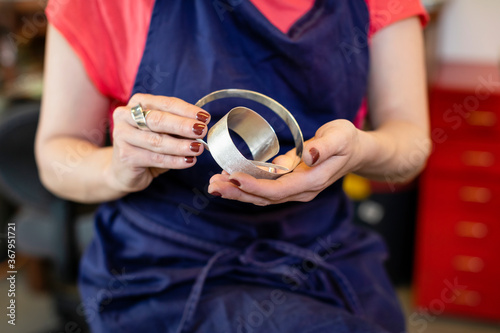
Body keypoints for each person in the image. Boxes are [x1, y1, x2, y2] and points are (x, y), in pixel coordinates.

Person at [36, 0, 430, 332]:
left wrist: (361, 150)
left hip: (322, 252)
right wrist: (118, 168)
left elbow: (411, 146)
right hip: (163, 266)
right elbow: (55, 158)